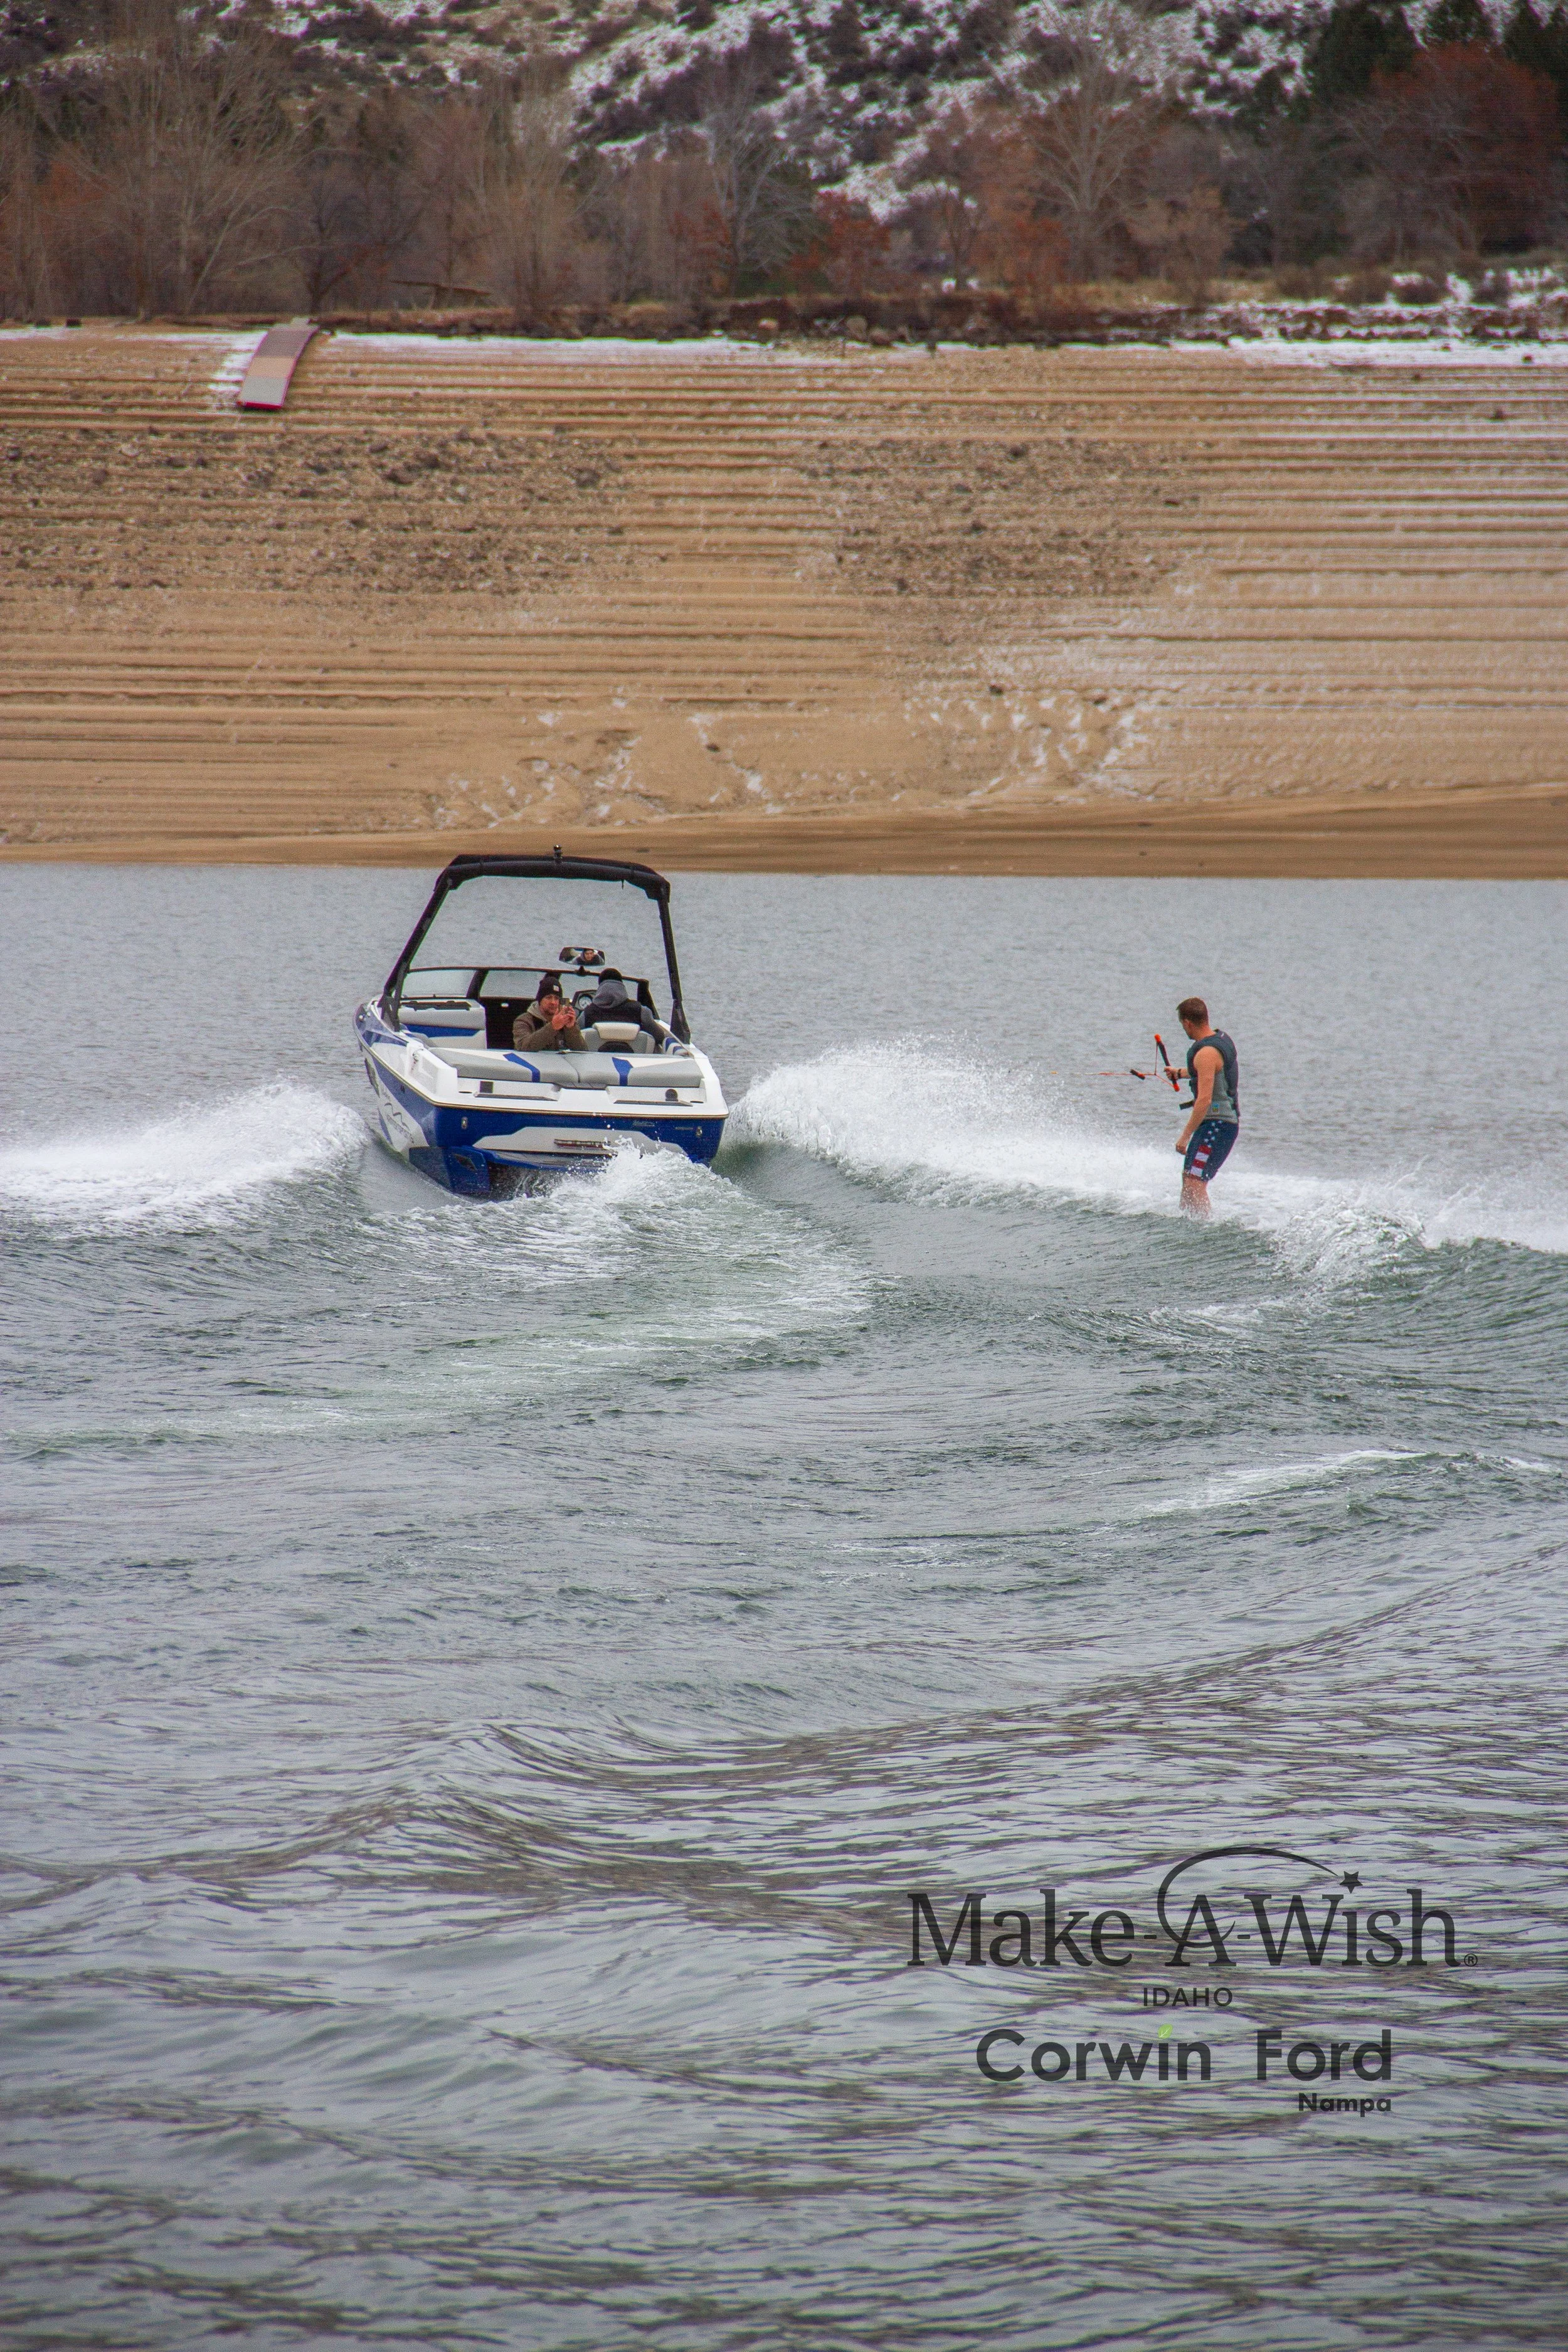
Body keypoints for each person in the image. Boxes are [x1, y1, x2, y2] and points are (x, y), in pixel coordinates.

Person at [1173, 996, 1239, 1215]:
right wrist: (1180, 1073)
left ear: (1187, 1023)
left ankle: (1204, 1230)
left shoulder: (1205, 1054)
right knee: (1190, 1177)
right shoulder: (1220, 1038)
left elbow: (1204, 1101)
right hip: (1217, 1124)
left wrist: (1184, 1136)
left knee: (1195, 1181)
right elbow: (1210, 1072)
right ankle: (1189, 1225)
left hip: (1218, 1126)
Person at [512, 975, 588, 1052]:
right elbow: (522, 1047)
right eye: (548, 998)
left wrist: (571, 1028)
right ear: (540, 1000)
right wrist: (553, 1027)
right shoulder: (524, 1020)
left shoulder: (566, 1020)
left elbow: (582, 1052)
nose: (553, 1002)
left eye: (557, 998)